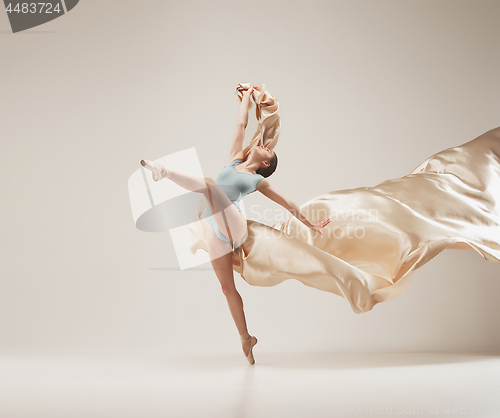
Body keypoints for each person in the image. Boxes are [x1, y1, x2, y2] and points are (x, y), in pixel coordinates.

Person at [140, 85, 331, 364]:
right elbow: (241, 124)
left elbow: (286, 202)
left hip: (235, 225)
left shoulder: (258, 180)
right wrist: (245, 99)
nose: (263, 145)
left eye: (267, 150)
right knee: (227, 288)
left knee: (208, 185)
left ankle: (164, 171)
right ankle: (246, 338)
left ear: (265, 163)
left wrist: (311, 224)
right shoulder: (234, 160)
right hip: (217, 230)